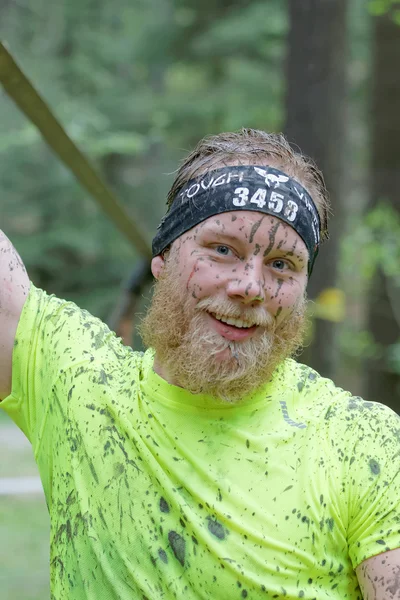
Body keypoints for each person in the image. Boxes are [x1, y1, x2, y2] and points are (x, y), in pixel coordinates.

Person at [0, 129, 399, 600]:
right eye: (223, 250)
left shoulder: (365, 445)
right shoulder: (76, 380)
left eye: (282, 264)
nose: (250, 286)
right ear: (163, 259)